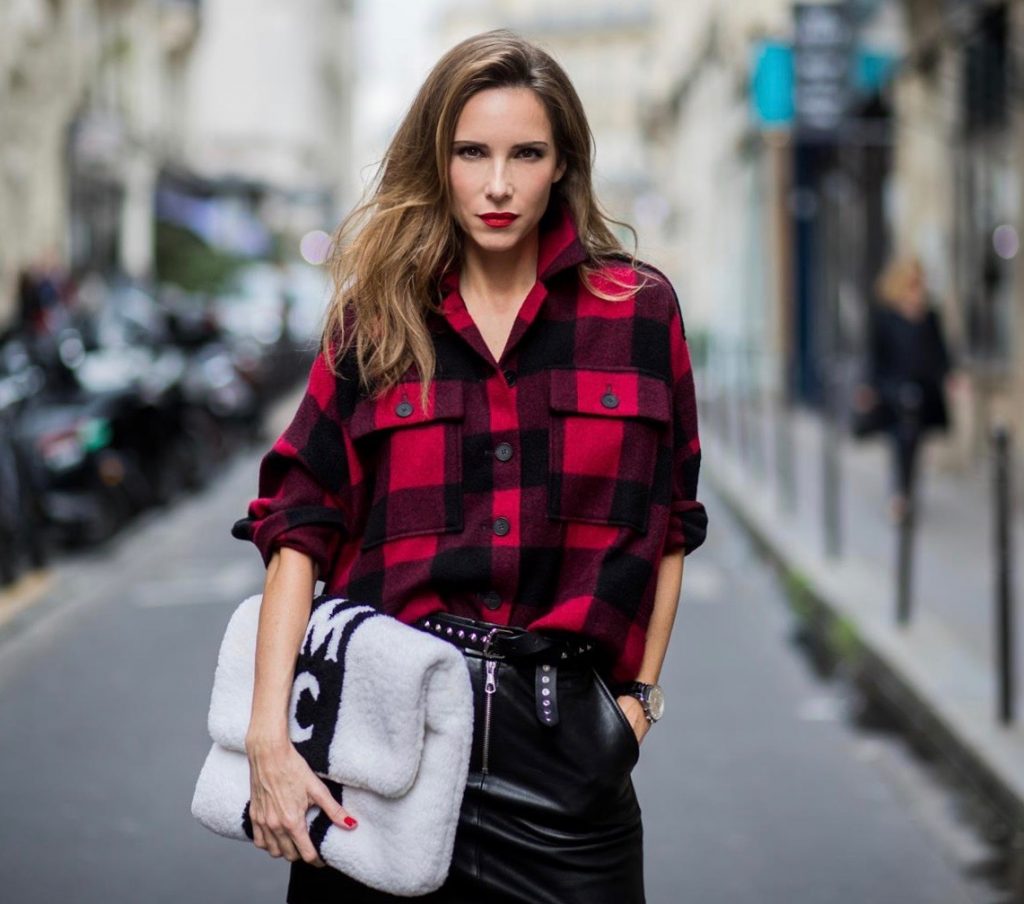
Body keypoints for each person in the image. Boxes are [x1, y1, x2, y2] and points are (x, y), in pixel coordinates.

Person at [230, 29, 708, 904]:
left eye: (526, 154)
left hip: (565, 766)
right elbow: (298, 522)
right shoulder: (376, 319)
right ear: (437, 160)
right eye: (471, 153)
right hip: (382, 750)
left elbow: (673, 519)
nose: (497, 185)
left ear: (562, 164)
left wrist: (635, 706)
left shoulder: (637, 312)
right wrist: (270, 734)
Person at [852, 256, 955, 521]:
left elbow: (940, 352)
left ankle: (905, 492)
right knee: (901, 439)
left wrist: (950, 376)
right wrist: (869, 387)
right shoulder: (885, 317)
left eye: (918, 282)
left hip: (924, 391)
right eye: (911, 283)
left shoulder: (929, 316)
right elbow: (875, 356)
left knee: (915, 441)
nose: (916, 288)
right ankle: (900, 494)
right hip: (893, 389)